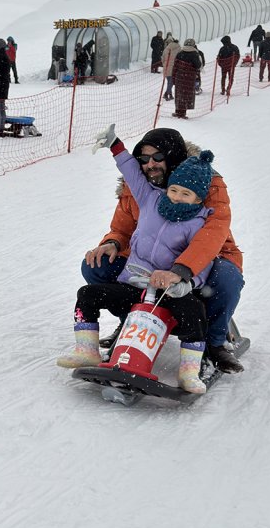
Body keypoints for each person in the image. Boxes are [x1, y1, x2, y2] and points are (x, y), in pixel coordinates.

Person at [59, 125, 222, 394]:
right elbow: (131, 171)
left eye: (186, 194)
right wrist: (115, 145)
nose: (177, 198)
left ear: (199, 198)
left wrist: (184, 282)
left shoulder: (199, 223)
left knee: (195, 313)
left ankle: (190, 372)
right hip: (135, 286)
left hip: (170, 293)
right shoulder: (149, 199)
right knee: (87, 294)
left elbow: (204, 258)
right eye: (174, 191)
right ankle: (87, 350)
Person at [171, 39, 201, 119]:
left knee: (179, 94)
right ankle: (182, 113)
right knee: (186, 94)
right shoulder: (194, 54)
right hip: (189, 77)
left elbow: (175, 66)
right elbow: (197, 65)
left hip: (179, 76)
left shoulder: (180, 53)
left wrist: (173, 78)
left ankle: (178, 111)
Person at [161, 35, 180, 100]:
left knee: (169, 81)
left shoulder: (166, 49)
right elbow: (180, 57)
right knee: (171, 82)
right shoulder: (178, 47)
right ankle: (167, 94)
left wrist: (165, 64)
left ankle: (169, 94)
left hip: (166, 67)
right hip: (174, 67)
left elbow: (162, 59)